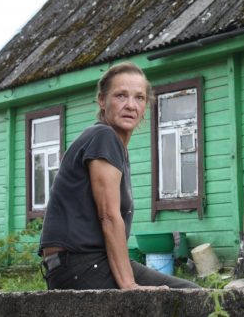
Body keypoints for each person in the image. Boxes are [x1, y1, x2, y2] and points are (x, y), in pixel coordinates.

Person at [39, 62, 199, 290]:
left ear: (146, 106)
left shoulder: (112, 145)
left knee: (189, 294)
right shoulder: (104, 137)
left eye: (139, 98)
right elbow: (109, 216)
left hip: (81, 263)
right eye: (121, 96)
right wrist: (129, 285)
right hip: (80, 264)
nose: (131, 105)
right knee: (190, 296)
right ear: (102, 101)